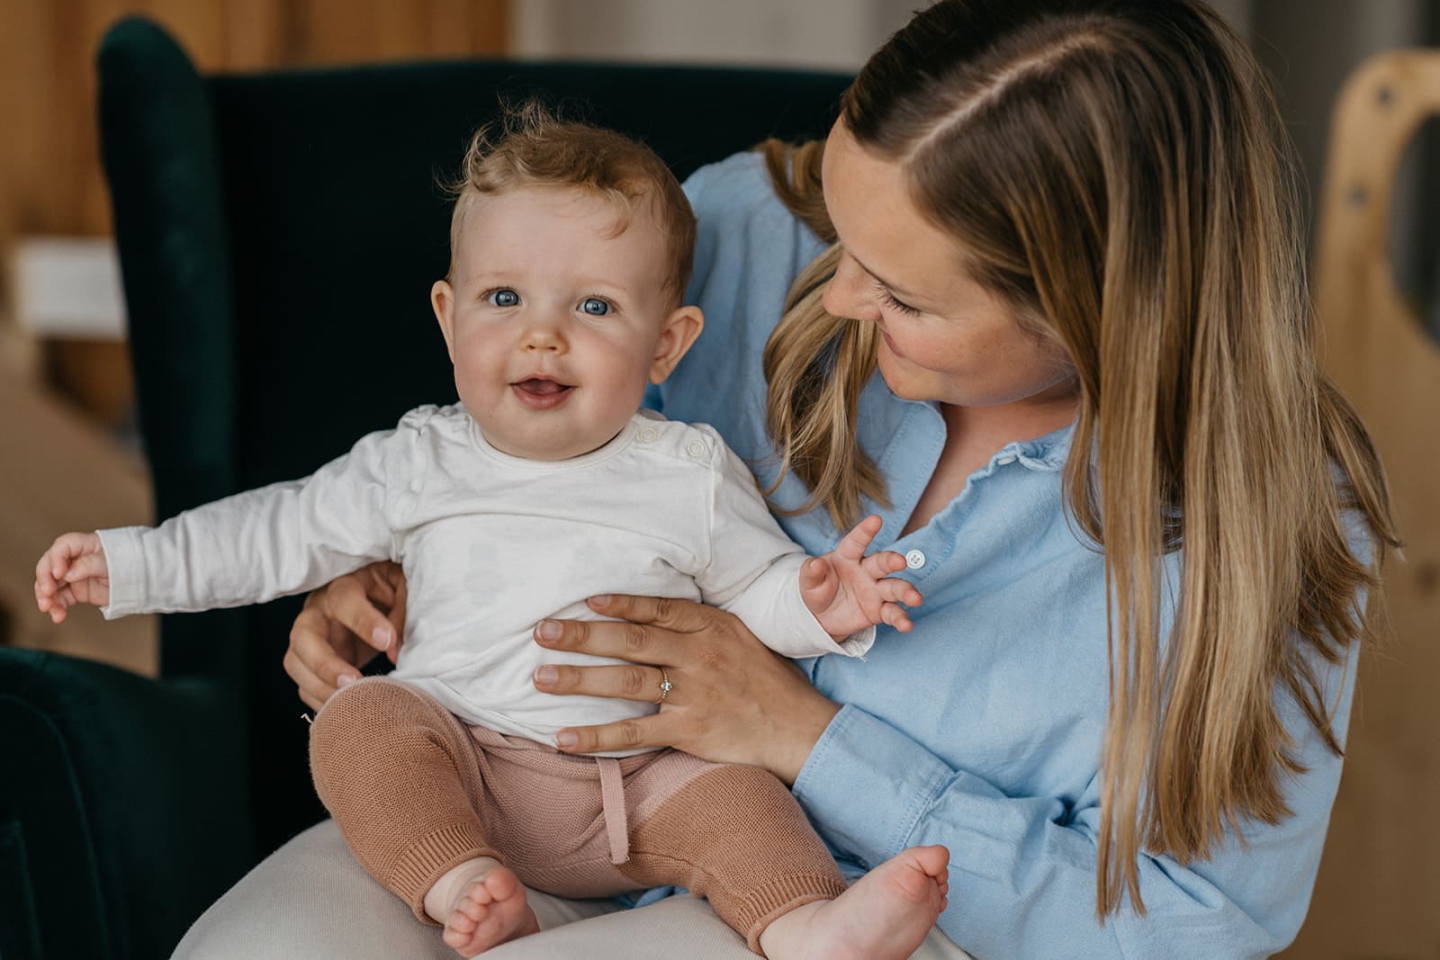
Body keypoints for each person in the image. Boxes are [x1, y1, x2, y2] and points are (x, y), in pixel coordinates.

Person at [172, 0, 1398, 957]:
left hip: (869, 918)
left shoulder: (1262, 528)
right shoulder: (757, 231)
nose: (839, 294)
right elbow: (532, 451)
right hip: (509, 786)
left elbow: (1191, 927)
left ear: (1098, 310)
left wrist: (806, 739)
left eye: (906, 294)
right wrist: (400, 567)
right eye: (847, 235)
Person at [34, 108, 950, 960]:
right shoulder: (417, 460)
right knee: (361, 722)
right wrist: (129, 564)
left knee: (744, 800)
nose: (542, 337)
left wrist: (820, 601)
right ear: (448, 316)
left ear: (666, 345)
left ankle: (803, 927)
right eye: (504, 298)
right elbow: (277, 529)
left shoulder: (689, 471)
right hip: (464, 759)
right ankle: (460, 880)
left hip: (643, 786)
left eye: (592, 308)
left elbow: (757, 590)